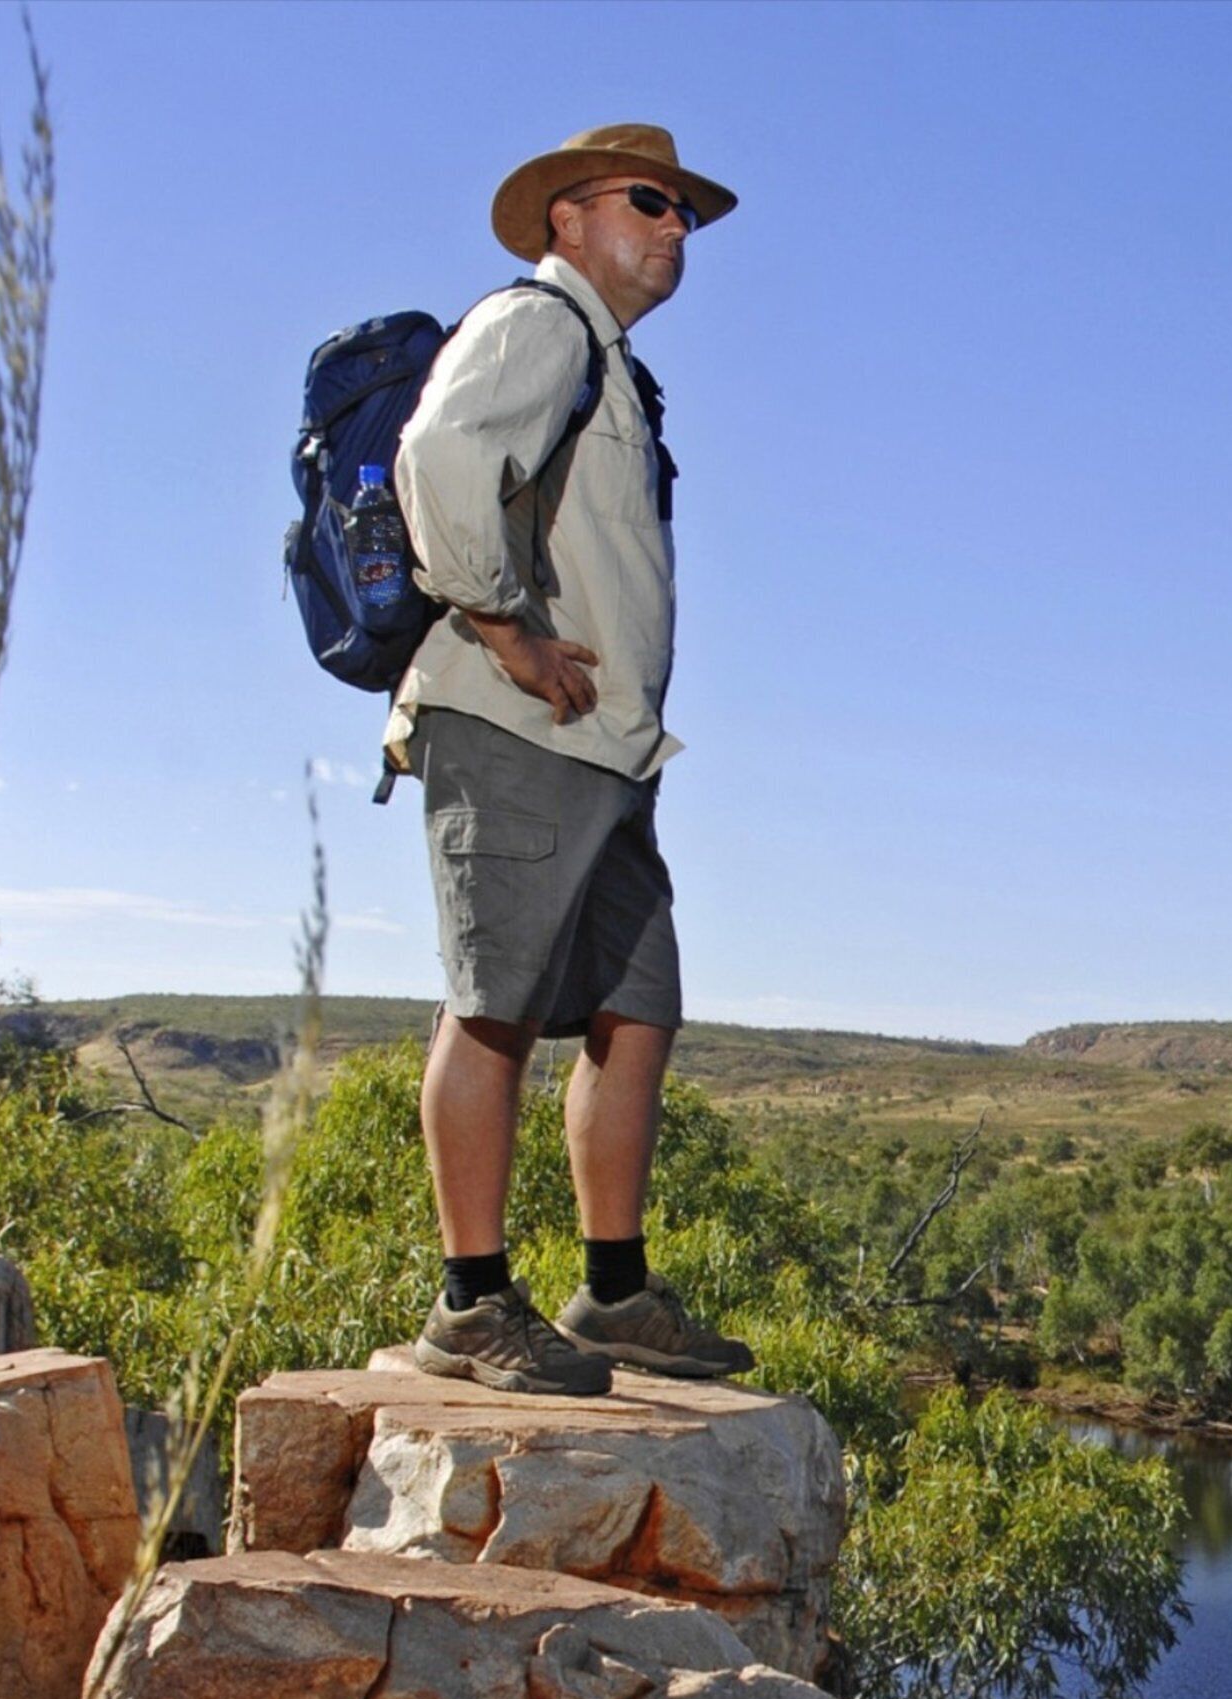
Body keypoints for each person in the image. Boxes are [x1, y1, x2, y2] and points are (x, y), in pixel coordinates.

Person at [386, 123, 751, 1395]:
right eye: (649, 203)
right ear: (567, 218)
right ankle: (472, 1304)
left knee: (635, 1008)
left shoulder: (609, 364)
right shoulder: (536, 324)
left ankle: (613, 1293)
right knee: (493, 1007)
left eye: (685, 215)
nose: (673, 230)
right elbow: (435, 464)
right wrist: (505, 632)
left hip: (607, 750)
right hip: (514, 724)